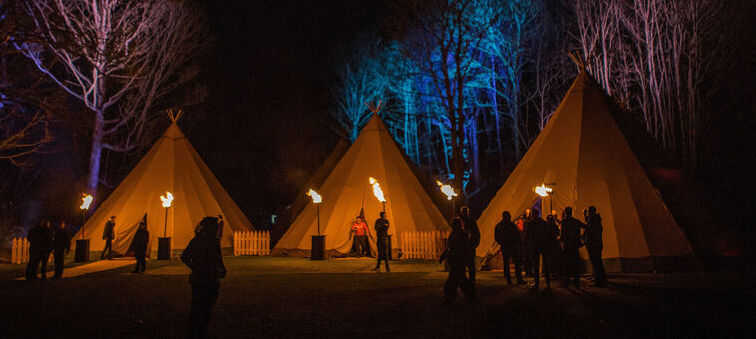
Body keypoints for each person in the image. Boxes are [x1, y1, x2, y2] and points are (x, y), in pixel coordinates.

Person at [182, 217, 227, 339]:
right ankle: (199, 330)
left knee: (198, 304)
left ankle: (195, 330)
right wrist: (221, 269)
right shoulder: (211, 242)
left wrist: (194, 267)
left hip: (201, 277)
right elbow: (218, 259)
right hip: (209, 278)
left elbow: (185, 256)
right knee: (205, 305)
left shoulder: (198, 241)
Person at [440, 218, 476, 305]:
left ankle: (451, 298)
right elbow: (450, 247)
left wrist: (466, 259)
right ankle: (471, 295)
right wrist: (444, 255)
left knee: (455, 280)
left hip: (459, 260)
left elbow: (465, 248)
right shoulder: (453, 235)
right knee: (460, 280)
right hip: (454, 261)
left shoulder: (463, 235)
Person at [524, 209, 554, 291]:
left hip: (535, 246)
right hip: (544, 245)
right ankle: (548, 283)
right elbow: (549, 233)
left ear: (533, 215)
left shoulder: (530, 223)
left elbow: (527, 235)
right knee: (546, 264)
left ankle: (536, 283)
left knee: (536, 265)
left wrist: (528, 244)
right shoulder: (544, 223)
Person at [494, 211, 524, 285]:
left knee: (506, 263)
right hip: (512, 246)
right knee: (516, 262)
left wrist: (500, 241)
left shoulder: (499, 225)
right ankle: (518, 278)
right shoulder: (511, 225)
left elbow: (496, 236)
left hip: (505, 246)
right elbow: (517, 234)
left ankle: (508, 278)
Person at [560, 207, 586, 288]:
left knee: (567, 264)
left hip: (567, 245)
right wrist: (582, 238)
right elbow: (586, 227)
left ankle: (567, 282)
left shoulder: (564, 222)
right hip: (575, 244)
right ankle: (576, 282)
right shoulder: (576, 221)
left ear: (566, 213)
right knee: (575, 264)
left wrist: (561, 241)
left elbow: (563, 234)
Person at [584, 206, 608, 287]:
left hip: (593, 244)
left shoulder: (594, 221)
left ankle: (600, 279)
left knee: (596, 262)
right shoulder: (595, 220)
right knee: (596, 261)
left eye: (588, 212)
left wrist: (585, 237)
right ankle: (599, 277)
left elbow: (590, 230)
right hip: (594, 244)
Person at [458, 206, 480, 283]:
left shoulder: (471, 220)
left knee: (471, 265)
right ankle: (463, 280)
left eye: (466, 211)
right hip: (463, 246)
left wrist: (475, 243)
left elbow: (476, 232)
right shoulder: (459, 221)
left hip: (470, 245)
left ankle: (471, 280)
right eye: (464, 211)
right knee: (462, 265)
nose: (465, 213)